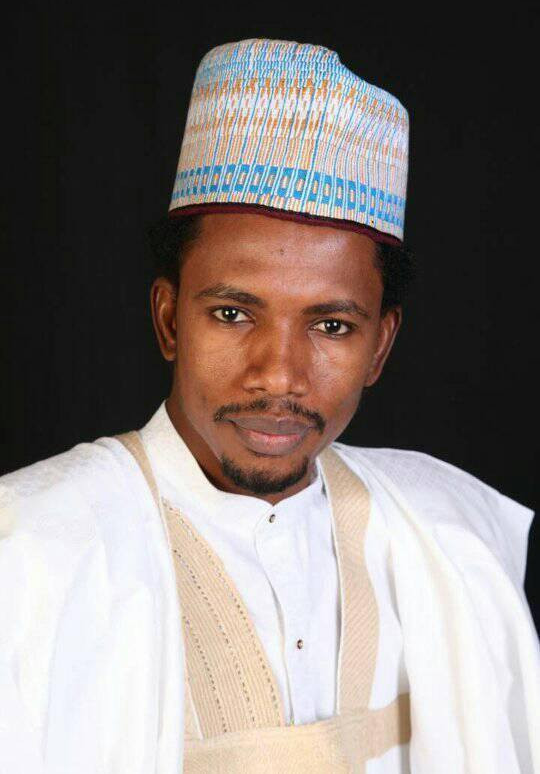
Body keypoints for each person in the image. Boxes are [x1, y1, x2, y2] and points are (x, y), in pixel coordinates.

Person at [1, 38, 538, 774]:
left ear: (380, 347)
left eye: (331, 327)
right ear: (169, 318)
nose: (278, 375)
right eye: (232, 314)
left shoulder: (450, 538)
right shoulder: (27, 549)